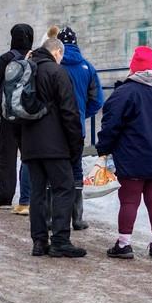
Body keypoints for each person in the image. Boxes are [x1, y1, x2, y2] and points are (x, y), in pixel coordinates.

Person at [95, 46, 152, 260]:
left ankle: (124, 244)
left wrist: (104, 149)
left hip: (132, 157)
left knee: (129, 201)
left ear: (133, 68)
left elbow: (110, 124)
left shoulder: (124, 93)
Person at [21, 37, 85, 258]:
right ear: (57, 52)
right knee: (64, 189)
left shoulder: (26, 71)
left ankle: (39, 242)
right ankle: (60, 240)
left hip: (30, 145)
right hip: (55, 145)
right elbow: (70, 112)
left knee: (37, 193)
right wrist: (76, 144)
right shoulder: (58, 73)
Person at [53, 26, 105, 230]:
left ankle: (51, 218)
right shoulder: (88, 68)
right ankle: (77, 218)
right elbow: (97, 100)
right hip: (77, 129)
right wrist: (82, 114)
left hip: (54, 130)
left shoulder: (53, 66)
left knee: (53, 171)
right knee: (75, 170)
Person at [0, 23, 34, 208]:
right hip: (30, 116)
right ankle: (28, 198)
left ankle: (4, 197)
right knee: (29, 156)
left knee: (6, 157)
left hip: (9, 116)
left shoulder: (7, 57)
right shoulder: (34, 57)